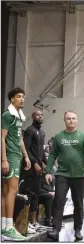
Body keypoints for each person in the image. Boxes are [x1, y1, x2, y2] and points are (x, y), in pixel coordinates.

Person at [45, 110, 84, 241]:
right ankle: (56, 229)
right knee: (58, 200)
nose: (71, 121)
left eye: (73, 118)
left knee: (78, 203)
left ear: (76, 120)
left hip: (79, 175)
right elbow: (52, 155)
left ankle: (77, 230)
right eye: (68, 119)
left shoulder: (83, 136)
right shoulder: (59, 136)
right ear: (64, 120)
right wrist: (48, 171)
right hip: (62, 174)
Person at [1, 87, 31, 241]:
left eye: (23, 96)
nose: (22, 99)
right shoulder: (7, 115)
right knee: (11, 191)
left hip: (17, 156)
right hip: (10, 157)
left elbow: (19, 139)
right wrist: (4, 159)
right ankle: (8, 226)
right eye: (19, 96)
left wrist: (26, 156)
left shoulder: (19, 117)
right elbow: (2, 138)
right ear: (12, 99)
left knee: (7, 192)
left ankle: (4, 227)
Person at [20, 110, 47, 230]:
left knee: (36, 194)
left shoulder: (42, 132)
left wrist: (46, 163)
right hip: (30, 167)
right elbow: (27, 148)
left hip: (39, 168)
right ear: (33, 117)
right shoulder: (30, 130)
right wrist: (35, 163)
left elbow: (40, 151)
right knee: (29, 194)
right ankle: (24, 223)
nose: (40, 116)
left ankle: (34, 222)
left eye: (41, 115)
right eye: (38, 115)